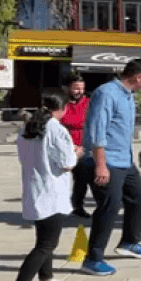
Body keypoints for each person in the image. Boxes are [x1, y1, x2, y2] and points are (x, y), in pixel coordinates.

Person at [1, 91, 81, 281]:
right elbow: (66, 163)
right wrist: (76, 152)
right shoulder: (56, 129)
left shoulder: (27, 127)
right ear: (63, 108)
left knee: (44, 239)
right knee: (46, 244)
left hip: (35, 188)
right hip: (52, 191)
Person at [81, 59, 141, 276]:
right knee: (110, 206)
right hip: (106, 160)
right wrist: (100, 165)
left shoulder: (128, 96)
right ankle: (93, 258)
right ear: (138, 77)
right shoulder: (107, 93)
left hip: (125, 160)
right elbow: (97, 131)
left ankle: (129, 242)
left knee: (138, 198)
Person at [60, 74, 91, 218]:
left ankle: (77, 206)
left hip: (83, 145)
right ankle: (60, 206)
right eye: (76, 88)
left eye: (82, 88)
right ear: (68, 88)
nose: (79, 91)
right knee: (62, 178)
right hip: (64, 145)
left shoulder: (89, 103)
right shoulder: (61, 103)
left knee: (81, 180)